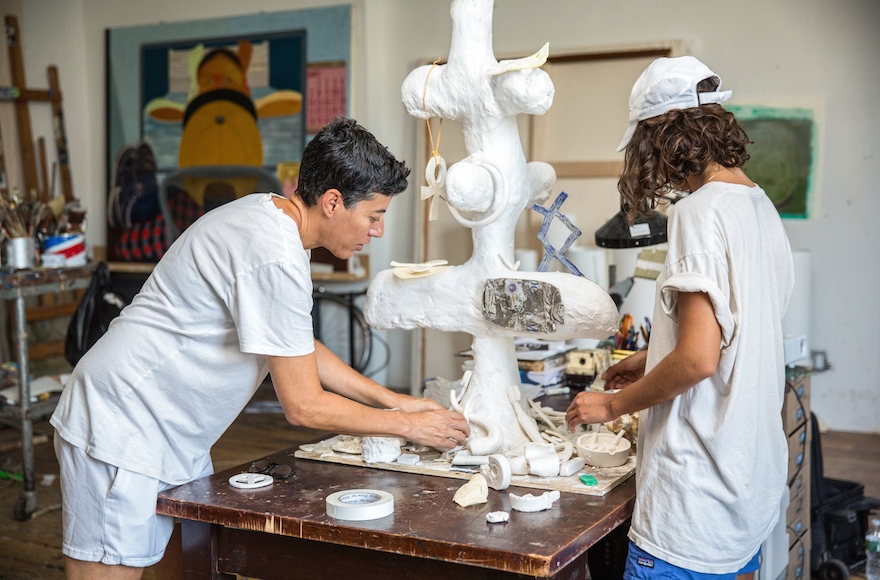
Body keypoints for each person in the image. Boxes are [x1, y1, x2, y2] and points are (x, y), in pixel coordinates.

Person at [50, 116, 470, 580]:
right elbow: (304, 405)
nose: (377, 231)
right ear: (333, 202)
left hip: (171, 431)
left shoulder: (275, 222)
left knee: (188, 569)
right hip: (122, 425)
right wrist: (406, 427)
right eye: (374, 215)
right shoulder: (273, 248)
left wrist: (397, 400)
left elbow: (295, 344)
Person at [566, 57, 794, 579]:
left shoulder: (699, 212)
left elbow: (696, 360)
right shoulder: (760, 207)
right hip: (746, 492)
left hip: (693, 506)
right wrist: (653, 358)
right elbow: (735, 333)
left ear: (658, 137)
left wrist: (612, 404)